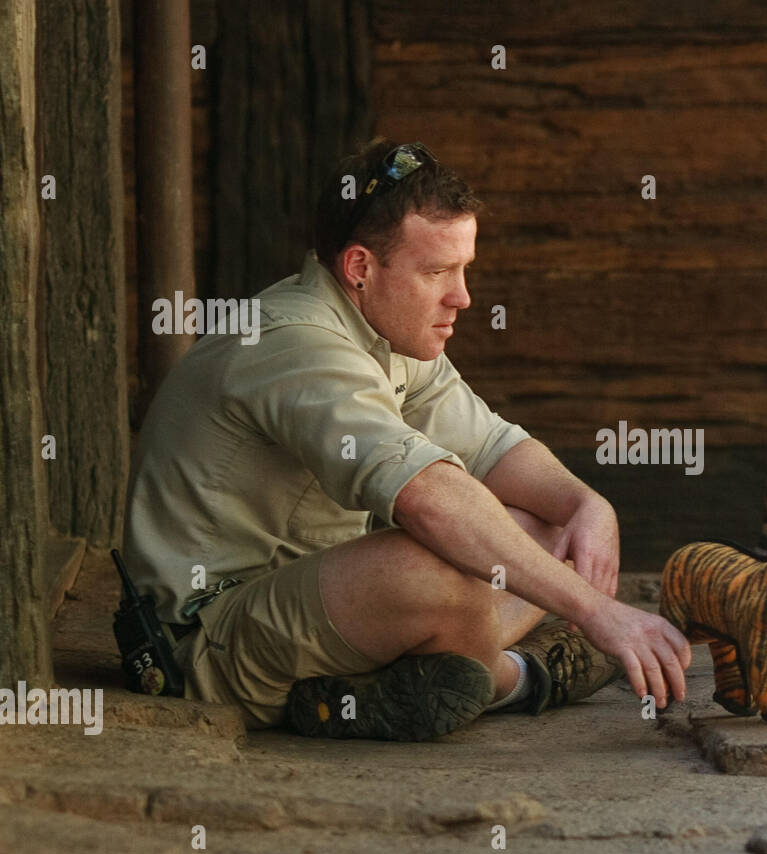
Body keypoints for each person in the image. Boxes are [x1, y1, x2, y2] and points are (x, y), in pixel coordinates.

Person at [123, 139, 691, 741]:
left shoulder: (384, 330)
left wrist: (587, 505)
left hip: (318, 606)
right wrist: (596, 611)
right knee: (436, 566)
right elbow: (426, 496)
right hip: (210, 643)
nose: (462, 297)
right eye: (438, 272)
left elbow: (494, 448)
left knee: (546, 529)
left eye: (464, 268)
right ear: (361, 268)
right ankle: (519, 676)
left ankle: (384, 685)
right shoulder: (295, 343)